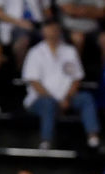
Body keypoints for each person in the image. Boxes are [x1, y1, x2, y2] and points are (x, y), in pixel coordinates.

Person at [20, 18, 100, 150]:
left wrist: (67, 98)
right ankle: (46, 141)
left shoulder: (70, 51)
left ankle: (93, 138)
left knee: (86, 98)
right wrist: (55, 100)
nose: (52, 32)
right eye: (49, 29)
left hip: (67, 98)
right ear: (44, 31)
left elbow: (76, 78)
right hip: (40, 100)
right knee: (48, 104)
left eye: (55, 29)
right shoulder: (35, 52)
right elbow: (33, 81)